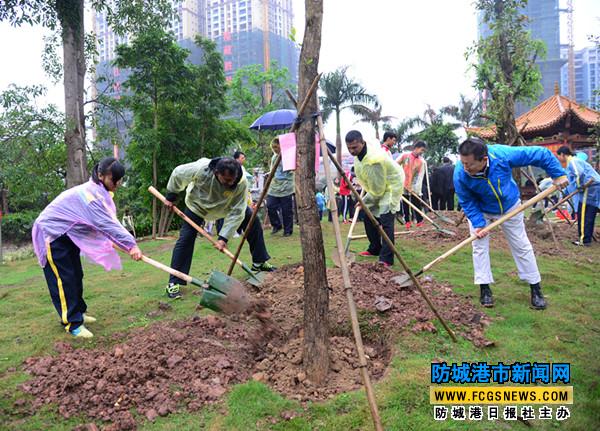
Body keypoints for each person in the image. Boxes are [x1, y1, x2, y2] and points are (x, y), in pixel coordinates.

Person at [32, 157, 143, 338]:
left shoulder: (98, 191)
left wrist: (123, 244)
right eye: (114, 179)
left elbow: (102, 225)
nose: (118, 183)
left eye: (120, 179)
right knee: (64, 279)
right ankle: (72, 323)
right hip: (51, 235)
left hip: (67, 235)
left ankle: (79, 313)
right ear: (101, 176)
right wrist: (131, 244)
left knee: (76, 274)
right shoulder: (91, 197)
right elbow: (106, 224)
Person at [454, 137, 568, 310]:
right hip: (481, 210)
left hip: (509, 206)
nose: (465, 167)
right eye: (463, 162)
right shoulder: (460, 173)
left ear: (484, 159)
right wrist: (478, 223)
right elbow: (466, 200)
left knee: (521, 245)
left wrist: (558, 174)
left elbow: (540, 153)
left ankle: (535, 288)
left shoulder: (502, 155)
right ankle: (484, 288)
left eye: (469, 164)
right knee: (479, 246)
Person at [164, 157, 275, 299]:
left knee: (251, 219)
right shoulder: (201, 169)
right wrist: (171, 196)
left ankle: (259, 262)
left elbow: (237, 211)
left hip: (225, 207)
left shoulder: (241, 183)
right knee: (186, 239)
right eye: (226, 180)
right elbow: (178, 173)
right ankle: (174, 281)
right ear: (216, 173)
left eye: (232, 180)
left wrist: (223, 238)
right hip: (197, 206)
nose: (230, 183)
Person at [345, 130, 404, 267]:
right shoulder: (361, 153)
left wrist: (363, 201)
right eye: (349, 148)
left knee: (386, 220)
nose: (352, 151)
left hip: (391, 185)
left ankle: (386, 258)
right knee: (368, 215)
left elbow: (378, 190)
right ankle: (375, 248)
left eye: (355, 147)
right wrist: (364, 203)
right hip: (378, 184)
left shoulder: (374, 161)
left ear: (362, 143)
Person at [556, 146, 600, 246]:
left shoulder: (573, 162)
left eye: (558, 156)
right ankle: (586, 239)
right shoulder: (572, 163)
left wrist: (580, 186)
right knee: (589, 213)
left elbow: (578, 173)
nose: (558, 159)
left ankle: (584, 240)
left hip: (589, 188)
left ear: (563, 154)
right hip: (592, 188)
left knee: (584, 214)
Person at [266, 138, 294, 236]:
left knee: (286, 210)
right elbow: (273, 170)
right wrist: (269, 174)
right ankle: (276, 225)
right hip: (275, 185)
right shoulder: (274, 157)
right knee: (270, 205)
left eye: (276, 147)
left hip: (286, 185)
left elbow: (292, 169)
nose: (275, 149)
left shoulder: (288, 156)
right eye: (273, 147)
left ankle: (288, 230)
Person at [397, 141, 427, 228]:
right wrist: (401, 180)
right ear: (416, 148)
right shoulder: (405, 155)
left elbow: (417, 176)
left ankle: (419, 220)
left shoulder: (421, 161)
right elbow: (395, 165)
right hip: (403, 183)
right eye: (422, 150)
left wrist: (412, 187)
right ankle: (407, 221)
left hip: (413, 185)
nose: (422, 152)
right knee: (405, 204)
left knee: (416, 202)